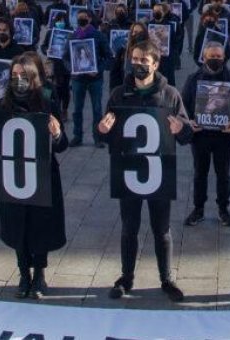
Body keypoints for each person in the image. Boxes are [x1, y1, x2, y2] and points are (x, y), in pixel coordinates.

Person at [97, 40, 191, 302]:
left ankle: (166, 279)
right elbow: (107, 130)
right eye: (134, 59)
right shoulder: (118, 94)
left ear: (155, 64)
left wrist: (180, 129)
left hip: (159, 170)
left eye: (143, 61)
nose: (137, 64)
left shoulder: (170, 94)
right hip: (129, 169)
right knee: (129, 227)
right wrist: (102, 131)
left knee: (162, 229)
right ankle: (126, 277)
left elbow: (187, 135)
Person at [0, 53, 68, 299]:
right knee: (17, 225)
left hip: (41, 175)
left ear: (33, 77)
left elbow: (62, 145)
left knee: (40, 225)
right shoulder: (2, 104)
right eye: (14, 76)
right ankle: (23, 273)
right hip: (13, 176)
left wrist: (57, 133)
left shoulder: (47, 102)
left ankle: (39, 274)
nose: (18, 80)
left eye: (23, 76)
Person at [182, 41, 230, 227]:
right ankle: (198, 208)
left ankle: (223, 209)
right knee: (199, 172)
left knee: (223, 173)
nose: (215, 59)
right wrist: (189, 121)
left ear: (224, 57)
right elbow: (184, 106)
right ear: (204, 57)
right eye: (212, 56)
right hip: (200, 135)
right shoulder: (193, 79)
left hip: (223, 136)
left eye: (218, 56)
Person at [63, 9, 111, 147]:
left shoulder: (98, 36)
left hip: (95, 79)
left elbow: (108, 56)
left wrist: (98, 69)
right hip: (78, 79)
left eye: (83, 17)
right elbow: (65, 57)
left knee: (97, 109)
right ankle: (77, 136)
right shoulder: (72, 36)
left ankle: (98, 138)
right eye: (79, 18)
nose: (81, 20)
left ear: (90, 19)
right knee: (77, 109)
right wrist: (72, 69)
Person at [41, 11, 71, 121]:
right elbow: (43, 46)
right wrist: (46, 51)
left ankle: (64, 109)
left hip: (65, 65)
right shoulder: (50, 33)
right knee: (51, 87)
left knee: (65, 89)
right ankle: (52, 109)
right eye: (58, 21)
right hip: (53, 64)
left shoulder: (70, 33)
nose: (60, 23)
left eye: (62, 21)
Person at [110, 22, 148, 90]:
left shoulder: (151, 53)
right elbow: (115, 76)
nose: (138, 35)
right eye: (135, 32)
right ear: (131, 34)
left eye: (141, 33)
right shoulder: (122, 52)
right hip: (126, 92)